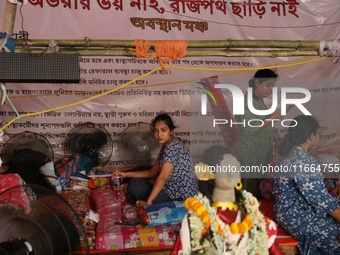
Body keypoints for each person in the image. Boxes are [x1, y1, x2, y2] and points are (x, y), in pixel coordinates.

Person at [272, 115, 340, 254]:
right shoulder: (304, 161)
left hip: (290, 210)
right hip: (295, 214)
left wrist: (328, 189)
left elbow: (301, 186)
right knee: (335, 237)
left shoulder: (288, 155)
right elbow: (320, 200)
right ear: (311, 136)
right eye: (318, 133)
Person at [114, 113, 199, 206]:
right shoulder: (166, 146)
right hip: (170, 189)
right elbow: (151, 172)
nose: (159, 134)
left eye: (163, 130)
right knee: (135, 183)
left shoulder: (173, 147)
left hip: (180, 196)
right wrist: (126, 174)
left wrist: (149, 202)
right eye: (156, 131)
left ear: (171, 131)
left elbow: (163, 177)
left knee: (134, 188)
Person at [232, 68, 281, 199]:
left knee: (255, 191)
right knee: (248, 193)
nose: (270, 89)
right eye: (268, 85)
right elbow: (248, 129)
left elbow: (259, 122)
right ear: (257, 83)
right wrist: (271, 118)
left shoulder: (258, 100)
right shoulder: (247, 101)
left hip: (258, 154)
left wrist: (270, 118)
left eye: (272, 86)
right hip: (249, 154)